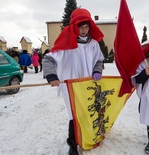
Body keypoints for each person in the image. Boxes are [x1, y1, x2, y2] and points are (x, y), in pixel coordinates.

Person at [42, 8, 104, 155]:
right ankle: (72, 143)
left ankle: (87, 137)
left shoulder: (94, 44)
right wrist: (52, 77)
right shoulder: (66, 43)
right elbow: (48, 59)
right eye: (81, 27)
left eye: (86, 26)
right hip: (72, 86)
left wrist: (97, 71)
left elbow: (99, 60)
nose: (84, 30)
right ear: (75, 26)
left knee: (88, 112)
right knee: (74, 115)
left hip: (88, 85)